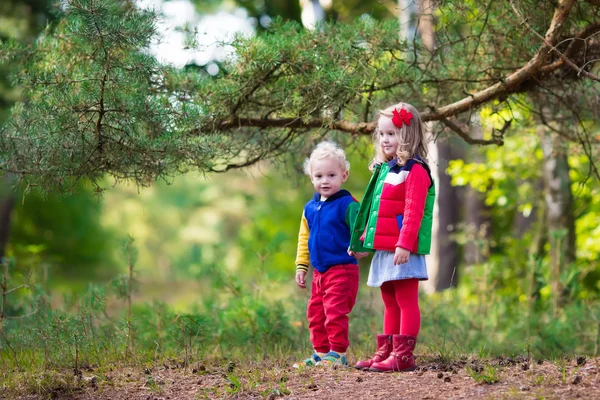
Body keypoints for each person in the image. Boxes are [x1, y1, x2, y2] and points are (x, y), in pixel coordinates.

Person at [348, 102, 435, 372]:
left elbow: (413, 211)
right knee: (388, 300)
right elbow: (376, 211)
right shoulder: (385, 170)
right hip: (386, 247)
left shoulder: (416, 170)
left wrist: (405, 243)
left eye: (392, 134)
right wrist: (364, 241)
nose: (385, 139)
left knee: (406, 300)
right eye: (382, 134)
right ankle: (386, 351)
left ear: (407, 136)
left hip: (403, 248)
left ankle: (403, 356)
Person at [293, 141, 363, 368]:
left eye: (331, 175)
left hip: (342, 269)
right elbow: (304, 239)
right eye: (319, 176)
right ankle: (321, 353)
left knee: (334, 312)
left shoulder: (347, 204)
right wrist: (301, 266)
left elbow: (360, 230)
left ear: (344, 175)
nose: (325, 181)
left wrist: (360, 247)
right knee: (315, 314)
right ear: (312, 178)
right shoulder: (310, 208)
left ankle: (338, 353)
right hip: (320, 272)